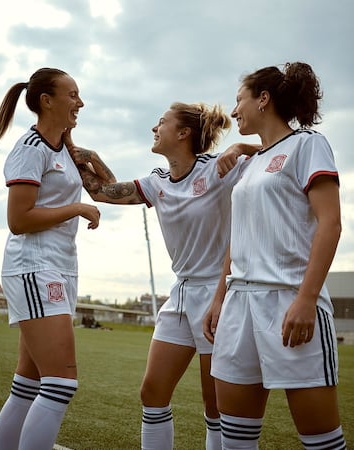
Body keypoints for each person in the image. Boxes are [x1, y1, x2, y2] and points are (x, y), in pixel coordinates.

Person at [64, 102, 258, 450]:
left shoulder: (219, 168)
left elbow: (280, 149)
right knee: (152, 392)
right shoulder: (158, 181)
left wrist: (240, 146)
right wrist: (85, 153)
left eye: (161, 123)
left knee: (214, 404)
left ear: (183, 133)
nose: (154, 128)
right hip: (180, 295)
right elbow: (101, 191)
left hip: (219, 295)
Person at [203, 62, 347, 450]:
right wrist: (219, 299)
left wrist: (305, 299)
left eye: (239, 100)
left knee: (321, 443)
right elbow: (238, 238)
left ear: (263, 99)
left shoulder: (309, 144)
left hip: (289, 302)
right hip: (238, 306)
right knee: (234, 439)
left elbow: (330, 224)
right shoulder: (249, 164)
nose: (234, 112)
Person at [0, 68, 100, 450]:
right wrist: (75, 208)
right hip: (34, 269)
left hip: (57, 268)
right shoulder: (30, 148)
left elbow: (103, 190)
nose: (80, 103)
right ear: (47, 100)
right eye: (73, 95)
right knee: (60, 384)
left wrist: (88, 155)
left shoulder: (63, 150)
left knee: (28, 384)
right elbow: (18, 220)